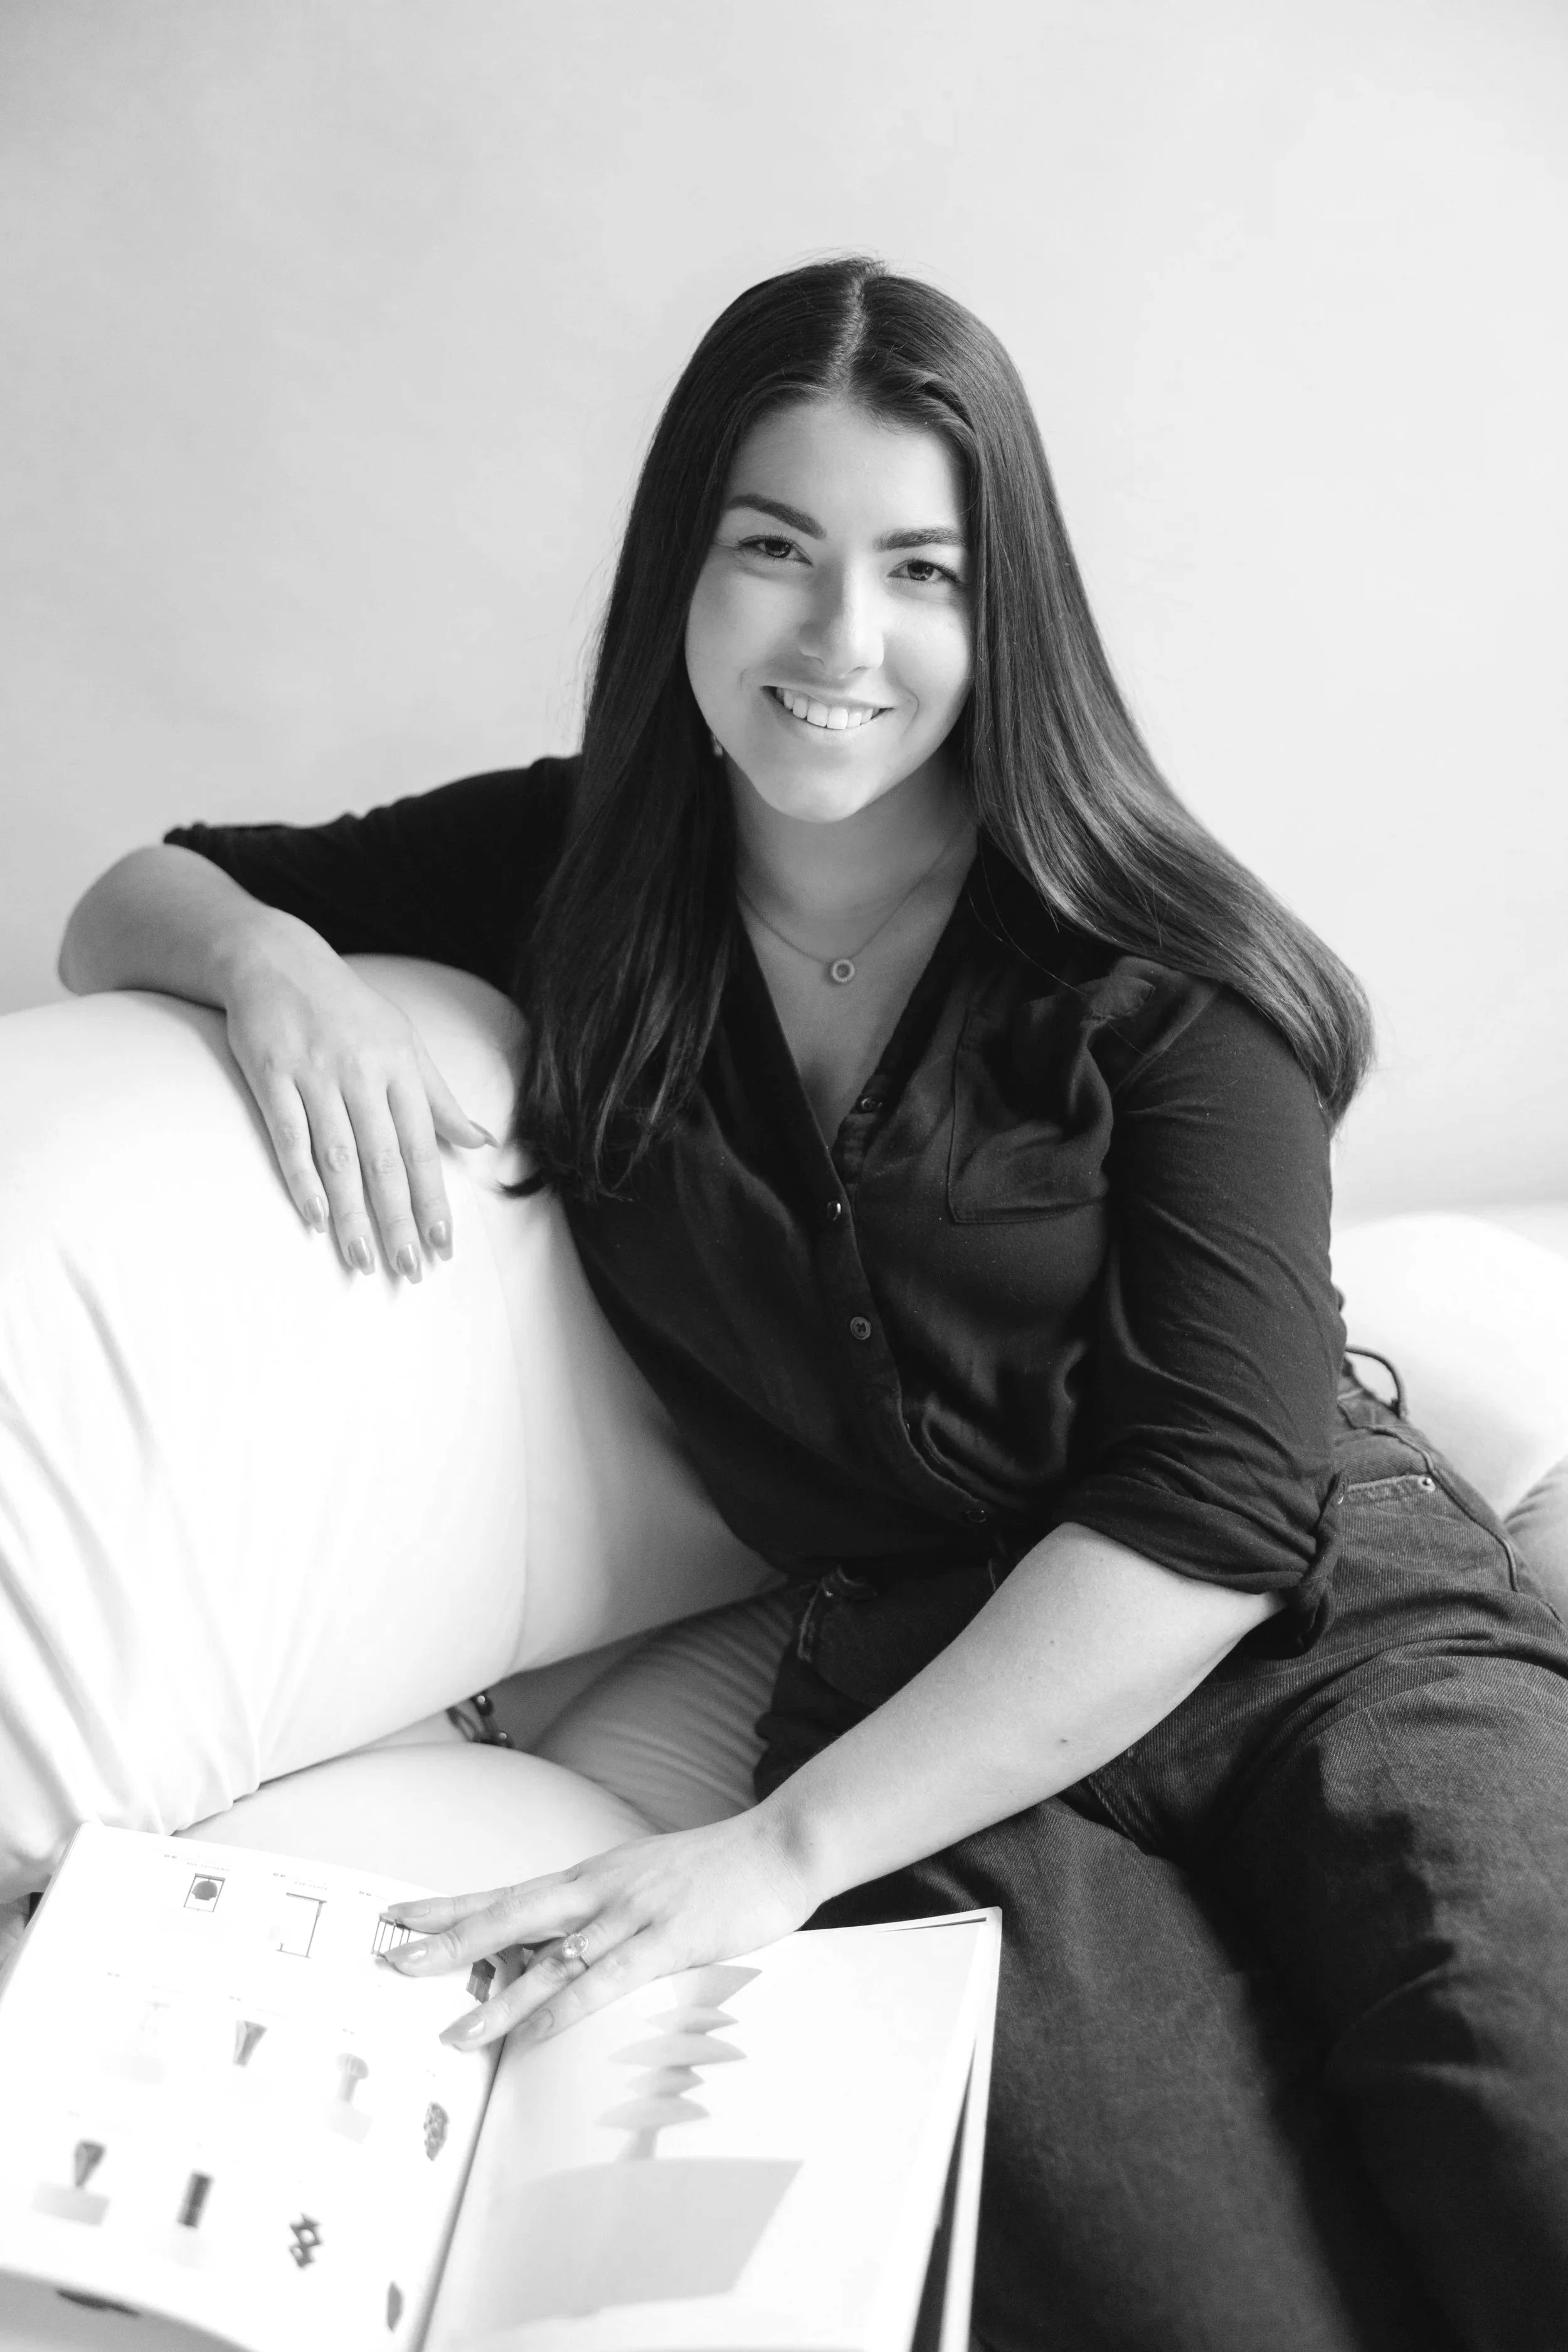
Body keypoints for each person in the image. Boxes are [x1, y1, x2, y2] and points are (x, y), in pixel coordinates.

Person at [60, 257, 1568, 2352]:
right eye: (775, 548)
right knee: (1194, 2298)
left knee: (1528, 2143)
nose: (838, 641)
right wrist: (271, 966)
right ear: (683, 566)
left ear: (999, 609)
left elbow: (1216, 1516)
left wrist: (772, 1854)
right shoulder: (577, 869)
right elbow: (135, 887)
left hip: (1311, 1624)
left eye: (920, 571)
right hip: (926, 1693)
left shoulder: (1163, 961)